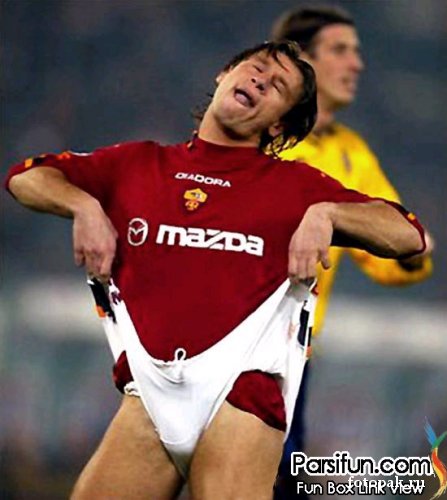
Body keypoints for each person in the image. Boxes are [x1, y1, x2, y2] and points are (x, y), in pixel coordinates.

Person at [5, 40, 426, 500]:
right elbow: (25, 177)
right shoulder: (137, 164)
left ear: (278, 124)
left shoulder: (294, 186)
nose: (260, 81)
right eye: (256, 68)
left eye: (277, 87)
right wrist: (83, 206)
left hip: (241, 394)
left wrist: (328, 213)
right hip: (149, 395)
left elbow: (408, 235)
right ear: (225, 73)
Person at [271, 5, 433, 498]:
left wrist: (411, 248)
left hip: (291, 356)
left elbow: (392, 252)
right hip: (219, 342)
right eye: (340, 50)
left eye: (357, 52)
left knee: (274, 483)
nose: (356, 63)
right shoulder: (258, 135)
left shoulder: (351, 152)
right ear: (301, 60)